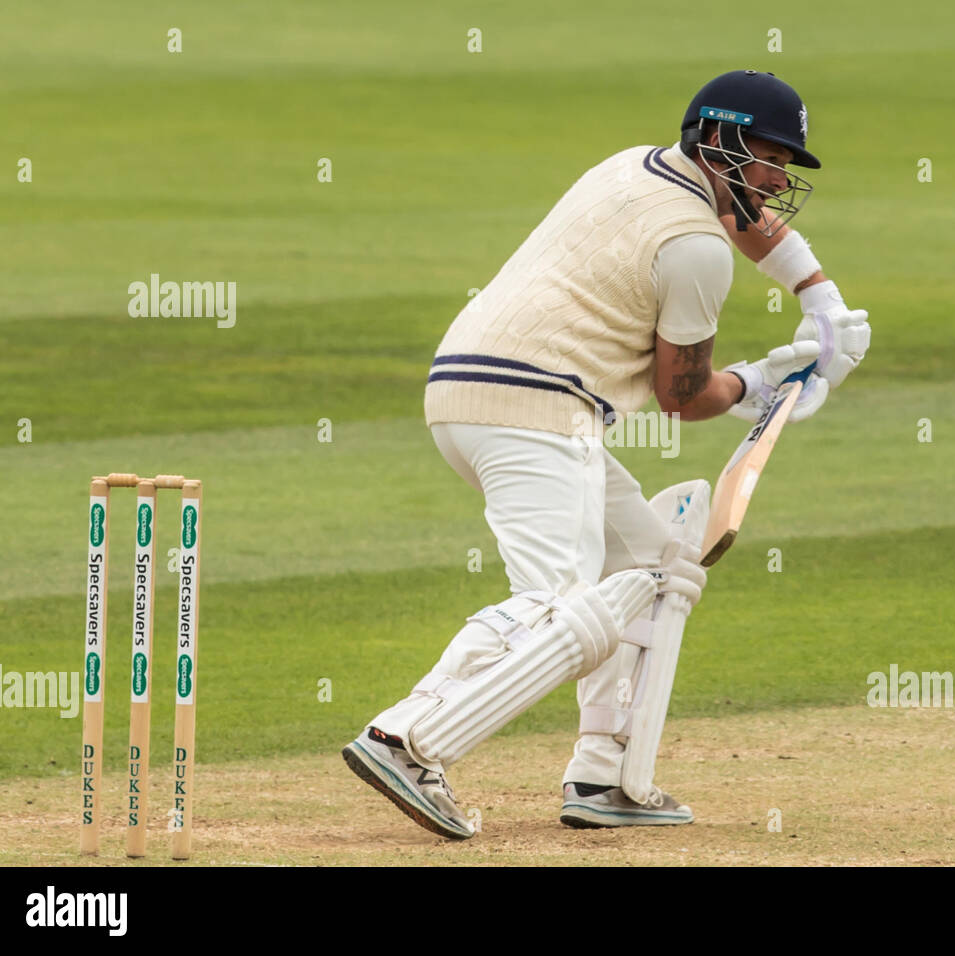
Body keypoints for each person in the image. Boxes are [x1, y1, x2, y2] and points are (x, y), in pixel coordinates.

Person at [342, 69, 871, 838]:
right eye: (768, 154)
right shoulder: (697, 251)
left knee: (657, 569)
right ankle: (406, 737)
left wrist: (819, 297)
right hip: (535, 406)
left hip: (472, 389)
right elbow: (681, 396)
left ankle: (607, 773)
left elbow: (742, 215)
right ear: (718, 140)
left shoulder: (636, 165)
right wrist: (764, 382)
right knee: (557, 606)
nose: (778, 176)